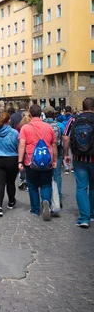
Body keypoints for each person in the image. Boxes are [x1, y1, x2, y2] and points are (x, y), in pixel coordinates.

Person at [18, 104, 57, 221]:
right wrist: (54, 160)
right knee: (46, 183)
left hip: (31, 160)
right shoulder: (48, 127)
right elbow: (54, 145)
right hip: (46, 160)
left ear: (30, 114)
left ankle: (35, 210)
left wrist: (20, 161)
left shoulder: (25, 128)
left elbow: (22, 145)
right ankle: (46, 201)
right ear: (41, 114)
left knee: (32, 185)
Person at [62, 98, 94, 229]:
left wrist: (66, 154)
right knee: (93, 188)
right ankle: (92, 214)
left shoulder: (73, 119)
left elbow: (65, 137)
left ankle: (84, 218)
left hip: (79, 158)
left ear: (83, 106)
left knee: (81, 187)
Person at [43, 107, 64, 213]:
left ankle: (46, 198)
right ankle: (58, 198)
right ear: (54, 115)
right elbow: (62, 140)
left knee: (45, 177)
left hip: (45, 153)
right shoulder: (59, 125)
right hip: (58, 152)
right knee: (57, 175)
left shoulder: (42, 125)